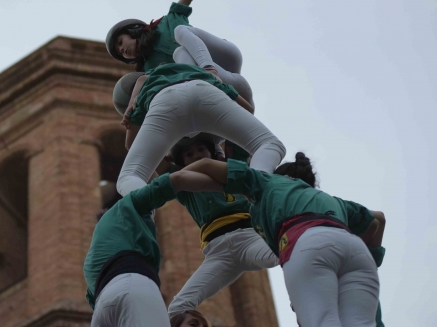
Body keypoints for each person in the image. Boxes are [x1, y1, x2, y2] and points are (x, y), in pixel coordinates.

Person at [184, 153, 381, 327]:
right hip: (355, 249)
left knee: (322, 321)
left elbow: (206, 165)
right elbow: (377, 220)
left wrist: (170, 184)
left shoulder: (267, 183)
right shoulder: (328, 198)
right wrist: (373, 258)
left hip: (306, 242)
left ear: (284, 176)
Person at [112, 63, 285, 196]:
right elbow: (248, 109)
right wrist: (220, 134)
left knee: (130, 175)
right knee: (268, 143)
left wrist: (134, 123)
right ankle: (258, 184)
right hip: (204, 89)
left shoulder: (146, 88)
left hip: (164, 100)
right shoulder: (200, 72)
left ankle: (144, 216)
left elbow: (130, 144)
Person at [84, 164, 223, 326]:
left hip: (101, 310)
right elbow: (176, 180)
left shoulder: (92, 257)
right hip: (133, 284)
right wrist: (230, 185)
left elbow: (92, 297)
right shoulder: (130, 205)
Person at [163, 134, 278, 318]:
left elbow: (237, 129)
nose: (197, 155)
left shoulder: (234, 171)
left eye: (201, 149)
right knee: (177, 308)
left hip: (248, 238)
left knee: (289, 251)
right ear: (181, 162)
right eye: (189, 153)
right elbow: (156, 163)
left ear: (212, 152)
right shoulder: (184, 187)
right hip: (218, 252)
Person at [105, 0, 254, 105]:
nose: (122, 49)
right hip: (226, 82)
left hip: (225, 57)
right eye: (120, 52)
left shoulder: (167, 22)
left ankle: (209, 70)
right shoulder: (149, 67)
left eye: (120, 42)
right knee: (180, 55)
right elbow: (144, 82)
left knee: (181, 30)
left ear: (133, 30)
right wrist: (133, 103)